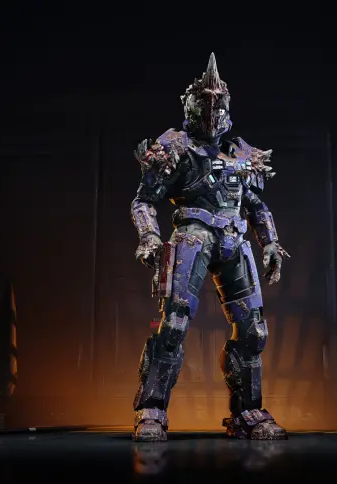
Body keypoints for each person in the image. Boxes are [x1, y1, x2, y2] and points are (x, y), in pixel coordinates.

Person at [129, 53, 290, 442]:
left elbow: (256, 206)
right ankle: (151, 410)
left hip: (234, 240)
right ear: (192, 107)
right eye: (205, 104)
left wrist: (270, 242)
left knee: (254, 331)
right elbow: (143, 201)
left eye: (218, 104)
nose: (213, 111)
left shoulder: (240, 154)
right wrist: (149, 236)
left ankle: (247, 411)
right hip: (192, 236)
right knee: (174, 323)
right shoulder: (176, 147)